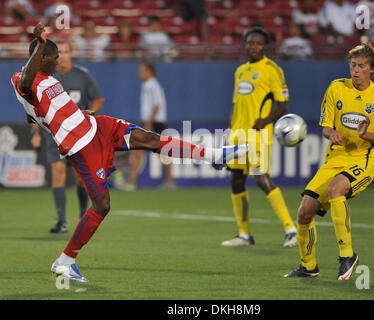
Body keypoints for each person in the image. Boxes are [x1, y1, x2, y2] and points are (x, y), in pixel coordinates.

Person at [11, 23, 249, 282]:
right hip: (80, 145)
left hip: (95, 125)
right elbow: (26, 86)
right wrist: (41, 43)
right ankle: (65, 262)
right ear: (42, 56)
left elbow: (34, 113)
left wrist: (66, 115)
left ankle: (215, 155)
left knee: (149, 139)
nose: (58, 63)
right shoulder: (23, 79)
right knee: (102, 205)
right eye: (54, 58)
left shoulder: (47, 78)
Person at [284, 43, 374, 280]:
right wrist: (331, 133)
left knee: (336, 189)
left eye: (361, 66)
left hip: (363, 159)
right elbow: (326, 126)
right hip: (334, 159)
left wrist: (365, 135)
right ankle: (309, 266)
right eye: (353, 65)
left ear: (372, 69)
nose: (355, 70)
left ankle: (347, 255)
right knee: (304, 212)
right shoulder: (336, 88)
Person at [221, 27, 297, 248]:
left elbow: (283, 105)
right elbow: (236, 105)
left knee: (261, 178)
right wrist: (230, 131)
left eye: (257, 43)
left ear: (265, 47)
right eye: (250, 43)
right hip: (238, 134)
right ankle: (244, 234)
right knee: (236, 180)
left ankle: (290, 229)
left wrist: (264, 121)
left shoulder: (272, 70)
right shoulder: (240, 71)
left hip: (258, 136)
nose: (253, 46)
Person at [30, 38, 105, 233]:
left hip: (75, 134)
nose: (62, 56)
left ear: (72, 54)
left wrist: (90, 111)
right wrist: (35, 132)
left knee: (80, 178)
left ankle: (82, 215)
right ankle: (62, 221)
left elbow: (97, 100)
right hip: (52, 134)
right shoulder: (45, 77)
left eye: (65, 52)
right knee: (58, 174)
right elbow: (34, 107)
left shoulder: (82, 76)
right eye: (59, 52)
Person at [120, 60, 176, 191]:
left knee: (161, 152)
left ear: (149, 72)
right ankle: (132, 181)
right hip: (150, 122)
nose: (139, 73)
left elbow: (157, 105)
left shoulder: (153, 86)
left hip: (155, 123)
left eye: (142, 70)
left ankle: (169, 181)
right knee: (140, 150)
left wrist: (148, 124)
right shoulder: (147, 86)